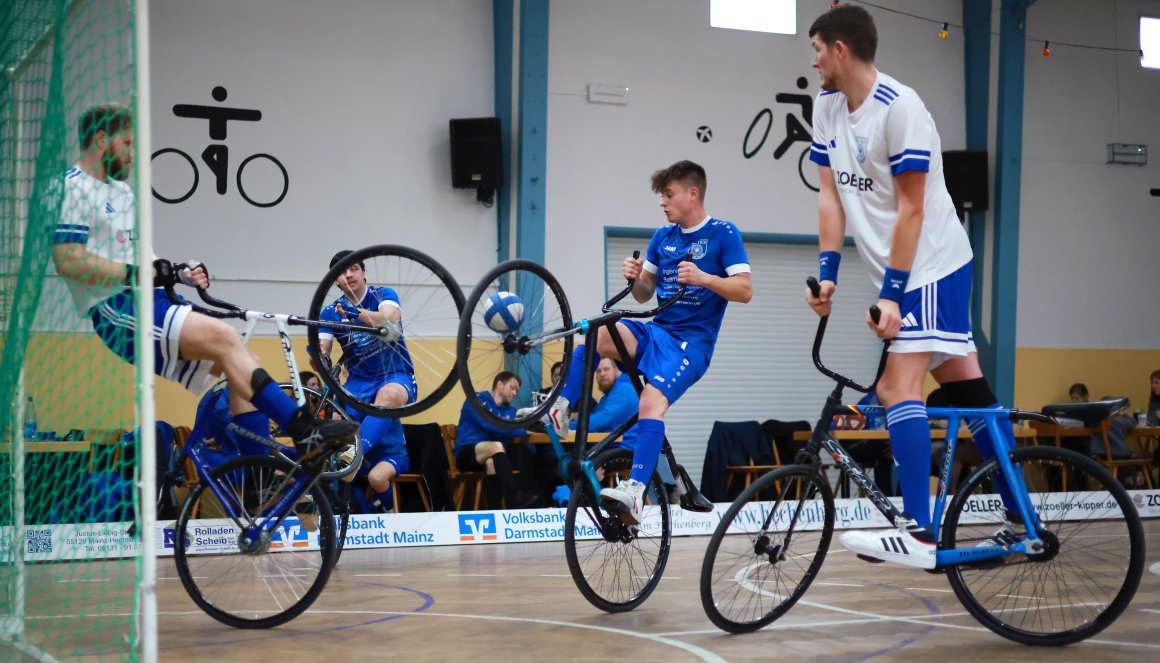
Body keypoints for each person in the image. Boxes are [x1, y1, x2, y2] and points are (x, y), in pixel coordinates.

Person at [803, 5, 1021, 569]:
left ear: (841, 50)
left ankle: (919, 530)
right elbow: (829, 196)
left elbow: (912, 209)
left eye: (818, 49)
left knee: (899, 388)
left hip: (932, 265)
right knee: (970, 394)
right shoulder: (826, 106)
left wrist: (894, 295)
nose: (813, 60)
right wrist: (828, 273)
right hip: (906, 270)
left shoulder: (902, 110)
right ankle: (1023, 515)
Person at [52, 104, 355, 459]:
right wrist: (137, 274)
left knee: (240, 360)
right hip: (117, 308)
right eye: (128, 143)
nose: (134, 154)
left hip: (153, 302)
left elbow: (145, 263)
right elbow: (68, 260)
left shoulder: (122, 193)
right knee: (227, 339)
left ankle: (254, 481)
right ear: (101, 139)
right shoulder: (70, 188)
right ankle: (304, 431)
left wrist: (177, 272)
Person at [539, 160, 752, 524]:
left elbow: (745, 290)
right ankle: (562, 409)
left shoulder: (723, 233)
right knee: (596, 334)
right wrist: (636, 277)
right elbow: (643, 295)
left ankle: (636, 493)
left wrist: (704, 278)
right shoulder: (662, 237)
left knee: (651, 401)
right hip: (657, 332)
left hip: (691, 345)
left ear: (692, 193)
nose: (663, 203)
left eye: (669, 195)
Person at [316, 250, 413, 506]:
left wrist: (359, 316)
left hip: (395, 374)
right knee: (335, 421)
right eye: (341, 272)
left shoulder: (383, 295)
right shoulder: (329, 312)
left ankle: (353, 456)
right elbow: (322, 352)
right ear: (335, 280)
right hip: (358, 383)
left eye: (354, 269)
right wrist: (319, 358)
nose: (348, 275)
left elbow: (391, 318)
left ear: (363, 272)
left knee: (390, 396)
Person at [454, 372, 539, 509]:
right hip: (466, 455)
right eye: (512, 387)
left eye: (517, 390)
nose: (515, 393)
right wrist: (521, 430)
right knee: (496, 446)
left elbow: (506, 429)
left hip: (490, 456)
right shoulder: (476, 400)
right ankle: (514, 497)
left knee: (492, 462)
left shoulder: (510, 411)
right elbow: (490, 425)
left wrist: (514, 429)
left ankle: (496, 512)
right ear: (499, 385)